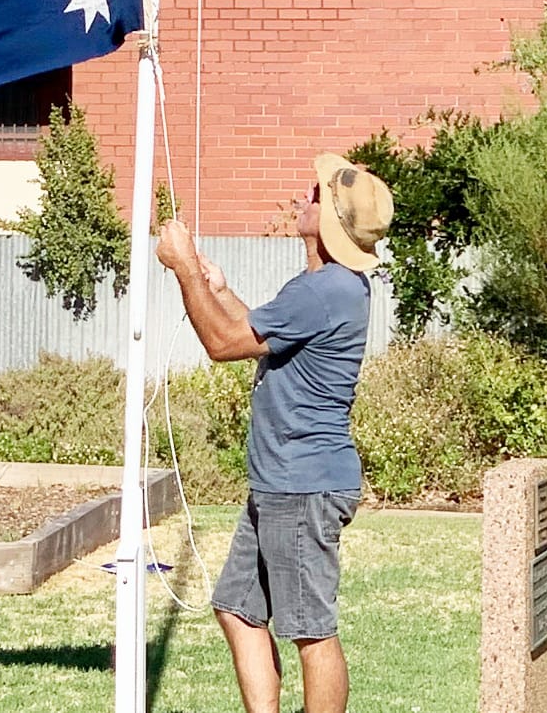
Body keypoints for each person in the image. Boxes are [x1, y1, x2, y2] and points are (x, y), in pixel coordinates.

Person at [155, 152, 393, 713]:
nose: (302, 197)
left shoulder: (326, 289)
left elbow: (222, 345)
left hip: (302, 486)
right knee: (237, 608)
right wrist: (218, 286)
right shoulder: (321, 285)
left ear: (328, 222)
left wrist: (186, 269)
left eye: (314, 195)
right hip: (281, 485)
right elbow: (251, 330)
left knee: (311, 629)